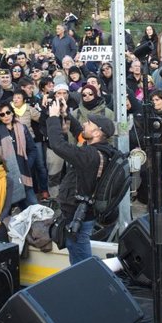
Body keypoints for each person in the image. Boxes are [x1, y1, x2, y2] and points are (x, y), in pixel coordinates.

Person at [46, 101, 117, 265]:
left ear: (98, 132)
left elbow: (57, 145)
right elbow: (79, 131)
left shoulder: (89, 156)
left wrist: (53, 118)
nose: (85, 123)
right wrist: (66, 114)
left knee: (81, 264)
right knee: (79, 256)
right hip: (81, 213)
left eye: (89, 123)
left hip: (77, 216)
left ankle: (87, 286)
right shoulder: (101, 149)